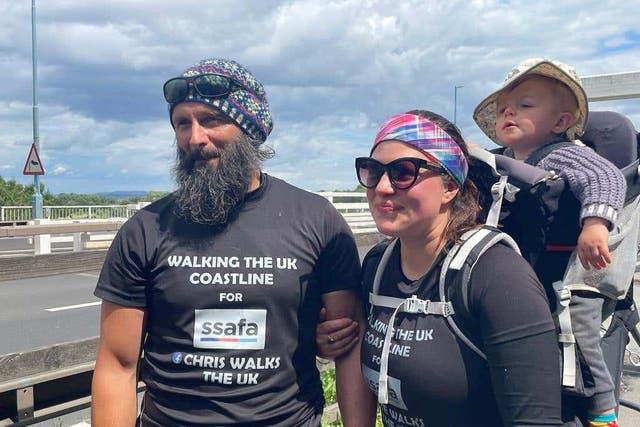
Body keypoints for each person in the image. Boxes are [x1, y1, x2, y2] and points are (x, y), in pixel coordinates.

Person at [91, 58, 373, 426]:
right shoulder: (145, 229)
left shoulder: (317, 220)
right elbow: (118, 364)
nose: (195, 138)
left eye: (211, 120)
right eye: (182, 123)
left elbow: (347, 347)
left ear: (249, 129)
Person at [321, 110, 563, 426]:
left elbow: (536, 420)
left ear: (449, 186)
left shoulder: (496, 275)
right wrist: (330, 339)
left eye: (402, 172)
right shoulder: (378, 266)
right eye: (372, 171)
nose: (381, 187)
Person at [473, 58, 626, 427]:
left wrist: (594, 223)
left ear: (560, 122)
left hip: (570, 275)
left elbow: (605, 178)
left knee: (581, 332)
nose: (510, 111)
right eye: (504, 108)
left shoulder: (565, 153)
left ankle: (602, 408)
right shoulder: (498, 161)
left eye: (525, 105)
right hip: (522, 269)